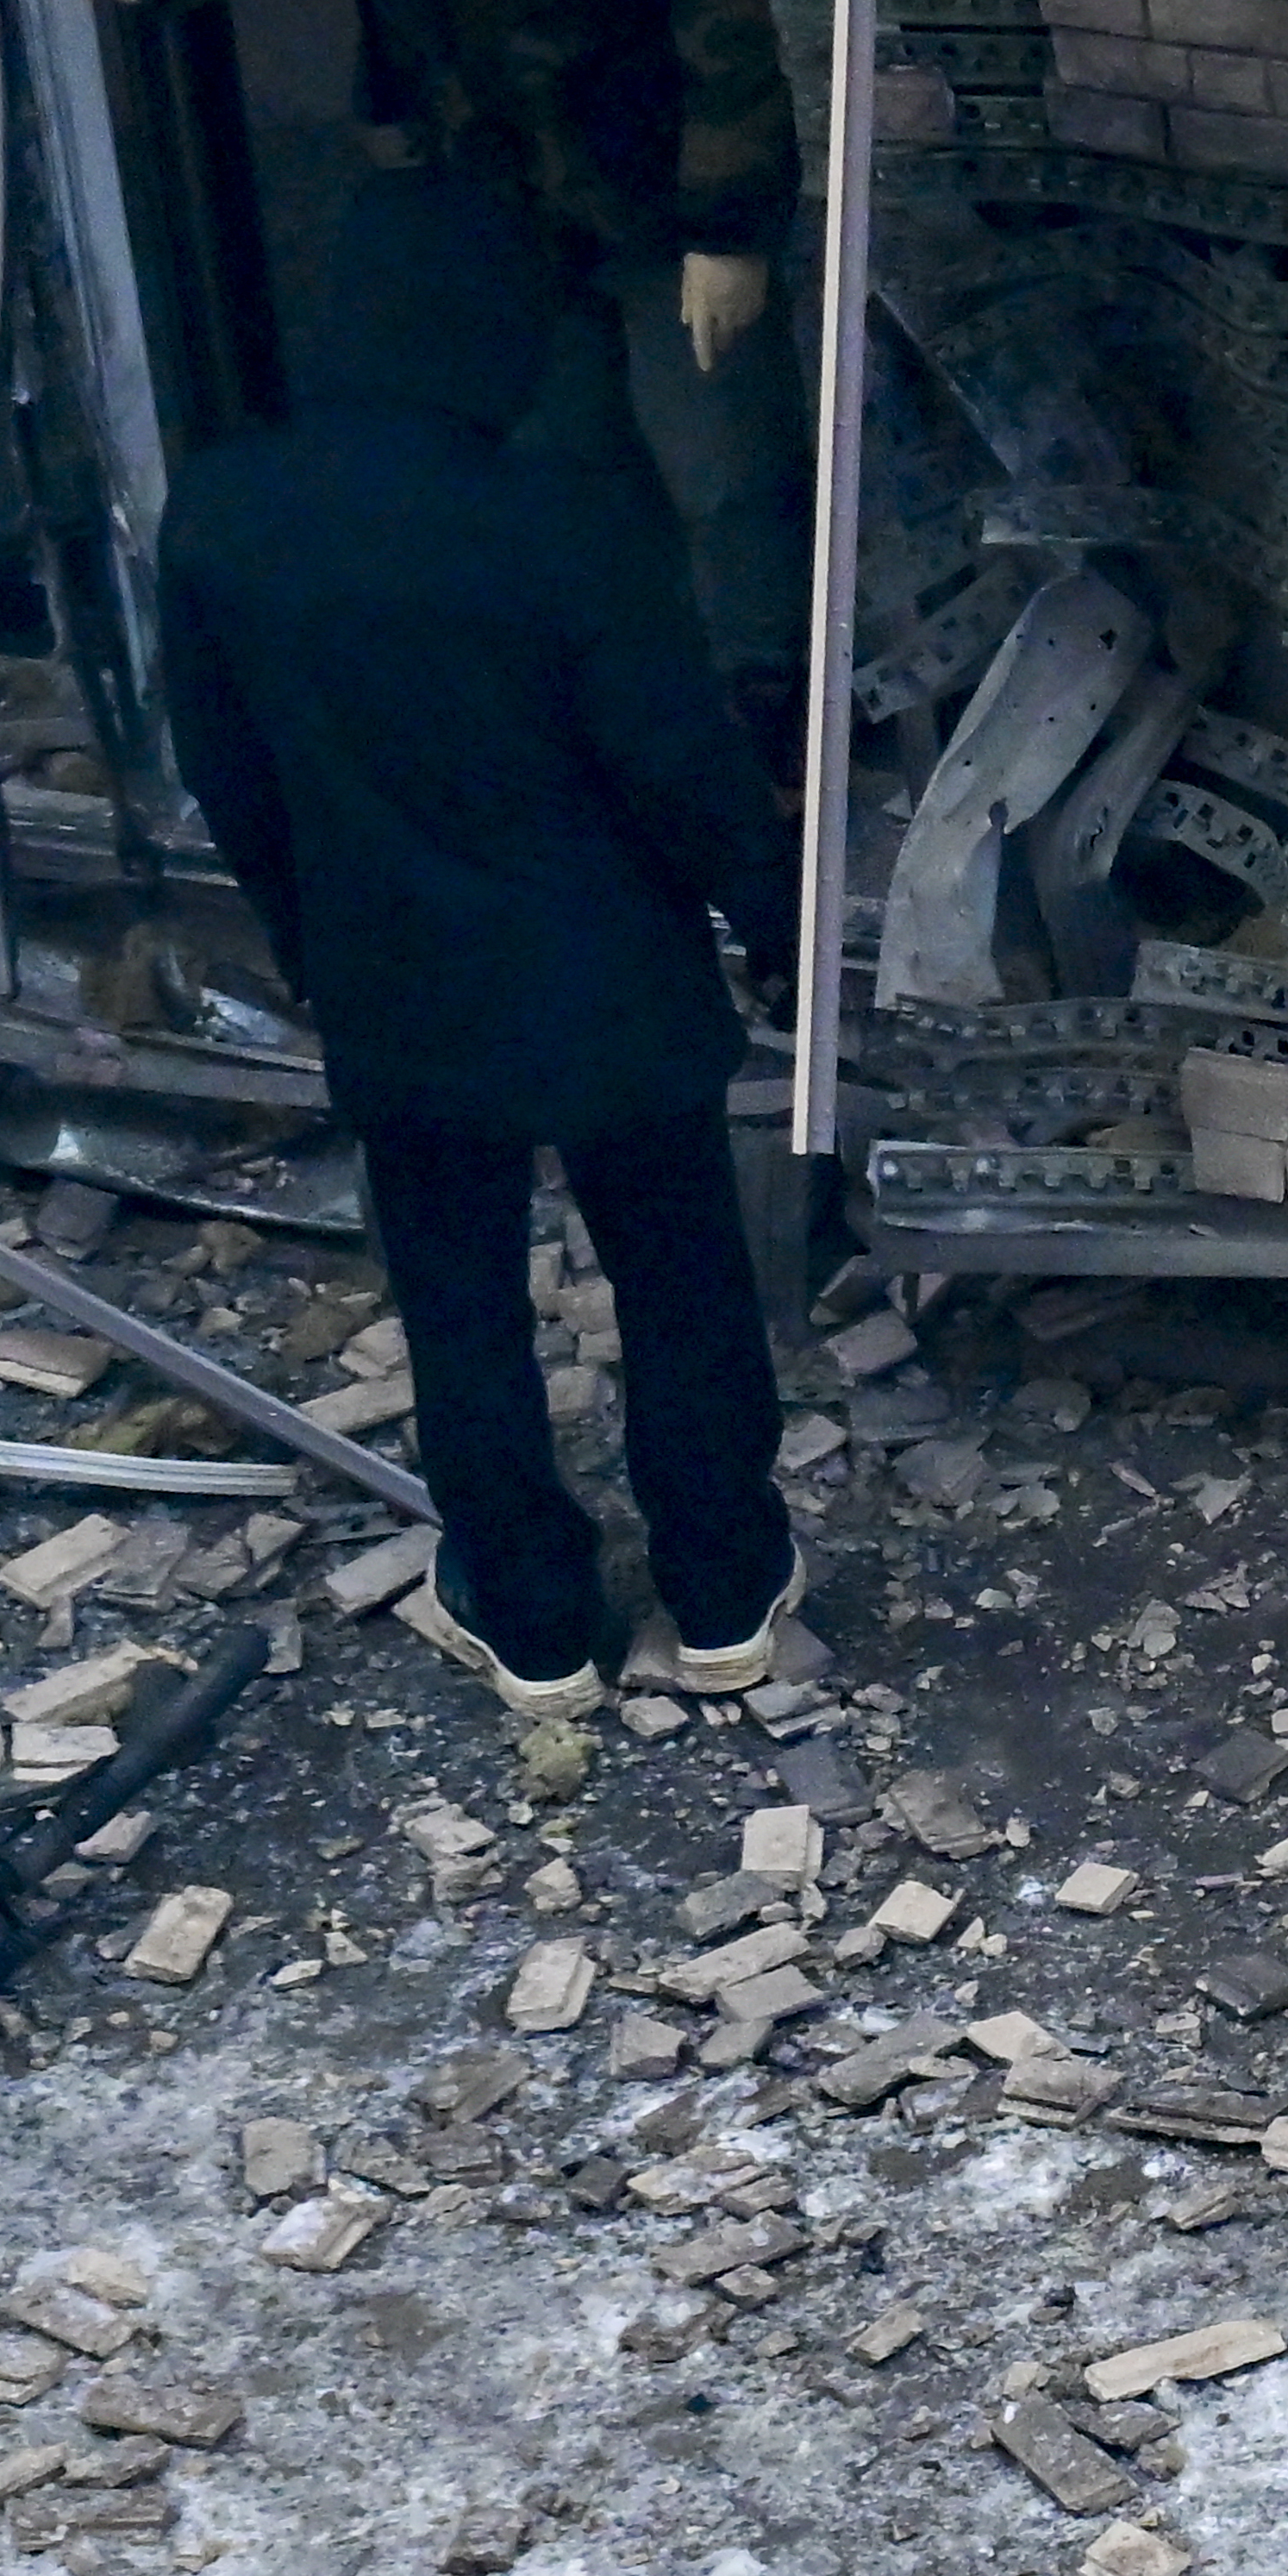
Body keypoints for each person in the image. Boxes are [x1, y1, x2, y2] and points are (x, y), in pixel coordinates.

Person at [159, 172, 804, 1721]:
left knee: (458, 1302)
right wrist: (773, 927)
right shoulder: (561, 516)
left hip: (399, 980)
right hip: (611, 985)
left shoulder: (225, 512)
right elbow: (678, 764)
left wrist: (313, 943)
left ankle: (531, 1621)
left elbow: (226, 770)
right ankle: (719, 1591)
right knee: (679, 1276)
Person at [68, 0, 811, 748]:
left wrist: (728, 230)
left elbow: (729, 6)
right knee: (561, 457)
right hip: (502, 178)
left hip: (660, 173)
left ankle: (777, 717)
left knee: (725, 460)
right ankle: (619, 694)